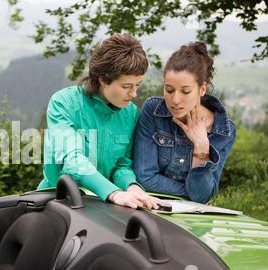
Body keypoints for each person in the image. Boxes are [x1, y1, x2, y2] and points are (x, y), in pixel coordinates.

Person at [37, 34, 163, 209]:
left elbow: (122, 165)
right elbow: (72, 161)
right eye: (126, 86)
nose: (133, 94)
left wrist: (131, 186)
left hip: (104, 207)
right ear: (103, 79)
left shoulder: (130, 113)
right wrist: (113, 192)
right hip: (58, 201)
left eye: (137, 85)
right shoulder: (64, 103)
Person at [133, 42, 236, 204]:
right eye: (169, 90)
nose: (175, 100)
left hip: (191, 220)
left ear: (202, 90)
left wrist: (202, 148)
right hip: (148, 206)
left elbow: (202, 196)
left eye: (186, 91)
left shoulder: (224, 131)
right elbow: (145, 178)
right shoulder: (153, 111)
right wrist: (190, 193)